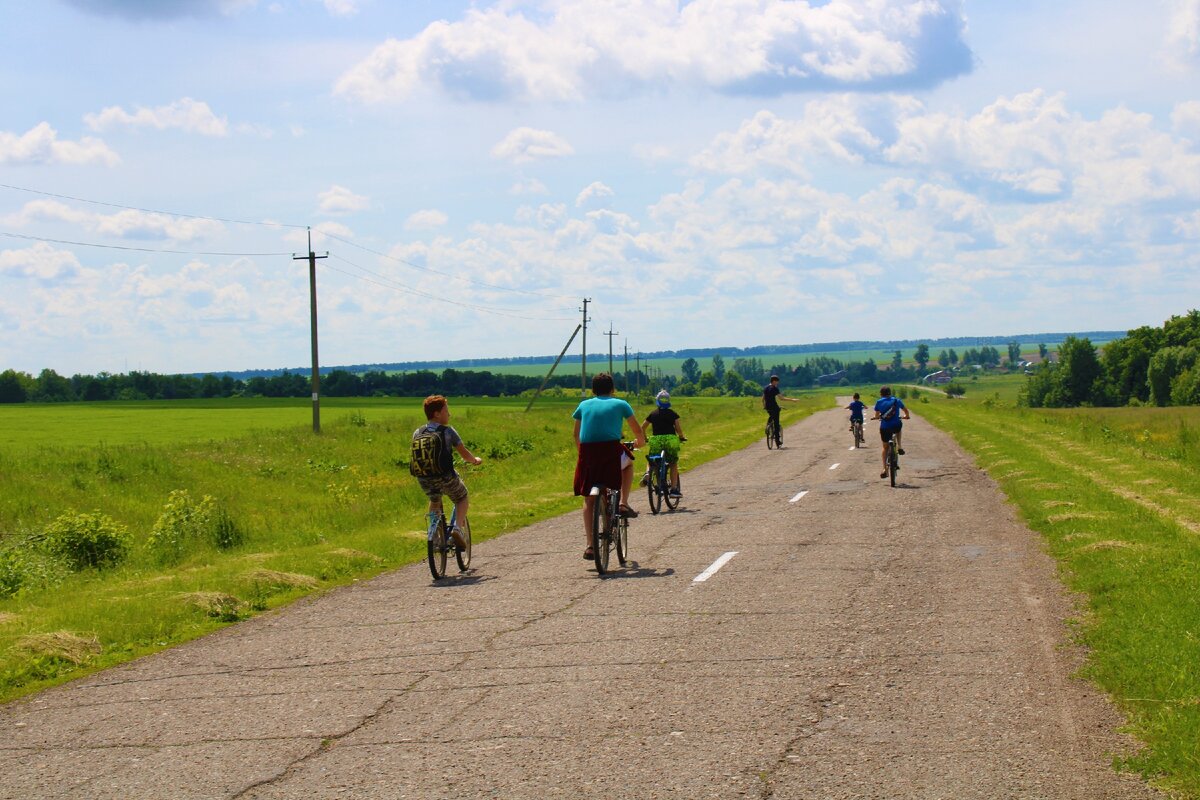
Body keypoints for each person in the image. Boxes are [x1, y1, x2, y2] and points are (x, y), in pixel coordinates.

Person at [572, 373, 646, 561]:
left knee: (589, 499)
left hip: (588, 455)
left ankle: (590, 545)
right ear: (613, 389)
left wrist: (583, 455)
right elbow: (638, 431)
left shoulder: (583, 405)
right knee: (628, 463)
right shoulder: (621, 404)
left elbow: (576, 435)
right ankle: (623, 502)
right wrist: (639, 442)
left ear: (593, 390)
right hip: (610, 452)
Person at [412, 395, 482, 549]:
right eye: (446, 411)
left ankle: (435, 535)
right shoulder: (448, 431)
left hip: (423, 478)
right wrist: (475, 460)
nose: (449, 414)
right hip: (445, 476)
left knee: (435, 499)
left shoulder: (418, 432)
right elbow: (464, 454)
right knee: (461, 497)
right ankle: (457, 528)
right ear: (437, 414)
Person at [640, 389, 685, 496]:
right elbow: (678, 428)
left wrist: (645, 438)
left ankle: (648, 473)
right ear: (668, 401)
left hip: (656, 440)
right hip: (670, 440)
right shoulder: (672, 413)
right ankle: (674, 489)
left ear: (657, 401)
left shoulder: (653, 414)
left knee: (653, 460)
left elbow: (642, 427)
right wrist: (681, 437)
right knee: (673, 463)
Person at [871, 386, 910, 479]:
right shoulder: (897, 400)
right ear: (890, 393)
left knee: (885, 447)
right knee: (899, 428)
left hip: (885, 428)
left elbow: (876, 415)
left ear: (881, 394)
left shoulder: (879, 402)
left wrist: (876, 417)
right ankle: (899, 446)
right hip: (896, 425)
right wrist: (906, 416)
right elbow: (906, 411)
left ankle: (885, 469)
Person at [761, 374, 799, 447]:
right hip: (774, 407)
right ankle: (778, 442)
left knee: (771, 415)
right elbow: (781, 398)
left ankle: (768, 425)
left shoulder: (765, 388)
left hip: (768, 407)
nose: (777, 383)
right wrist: (792, 400)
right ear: (774, 381)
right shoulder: (775, 388)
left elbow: (762, 399)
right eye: (777, 382)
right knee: (776, 423)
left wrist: (764, 406)